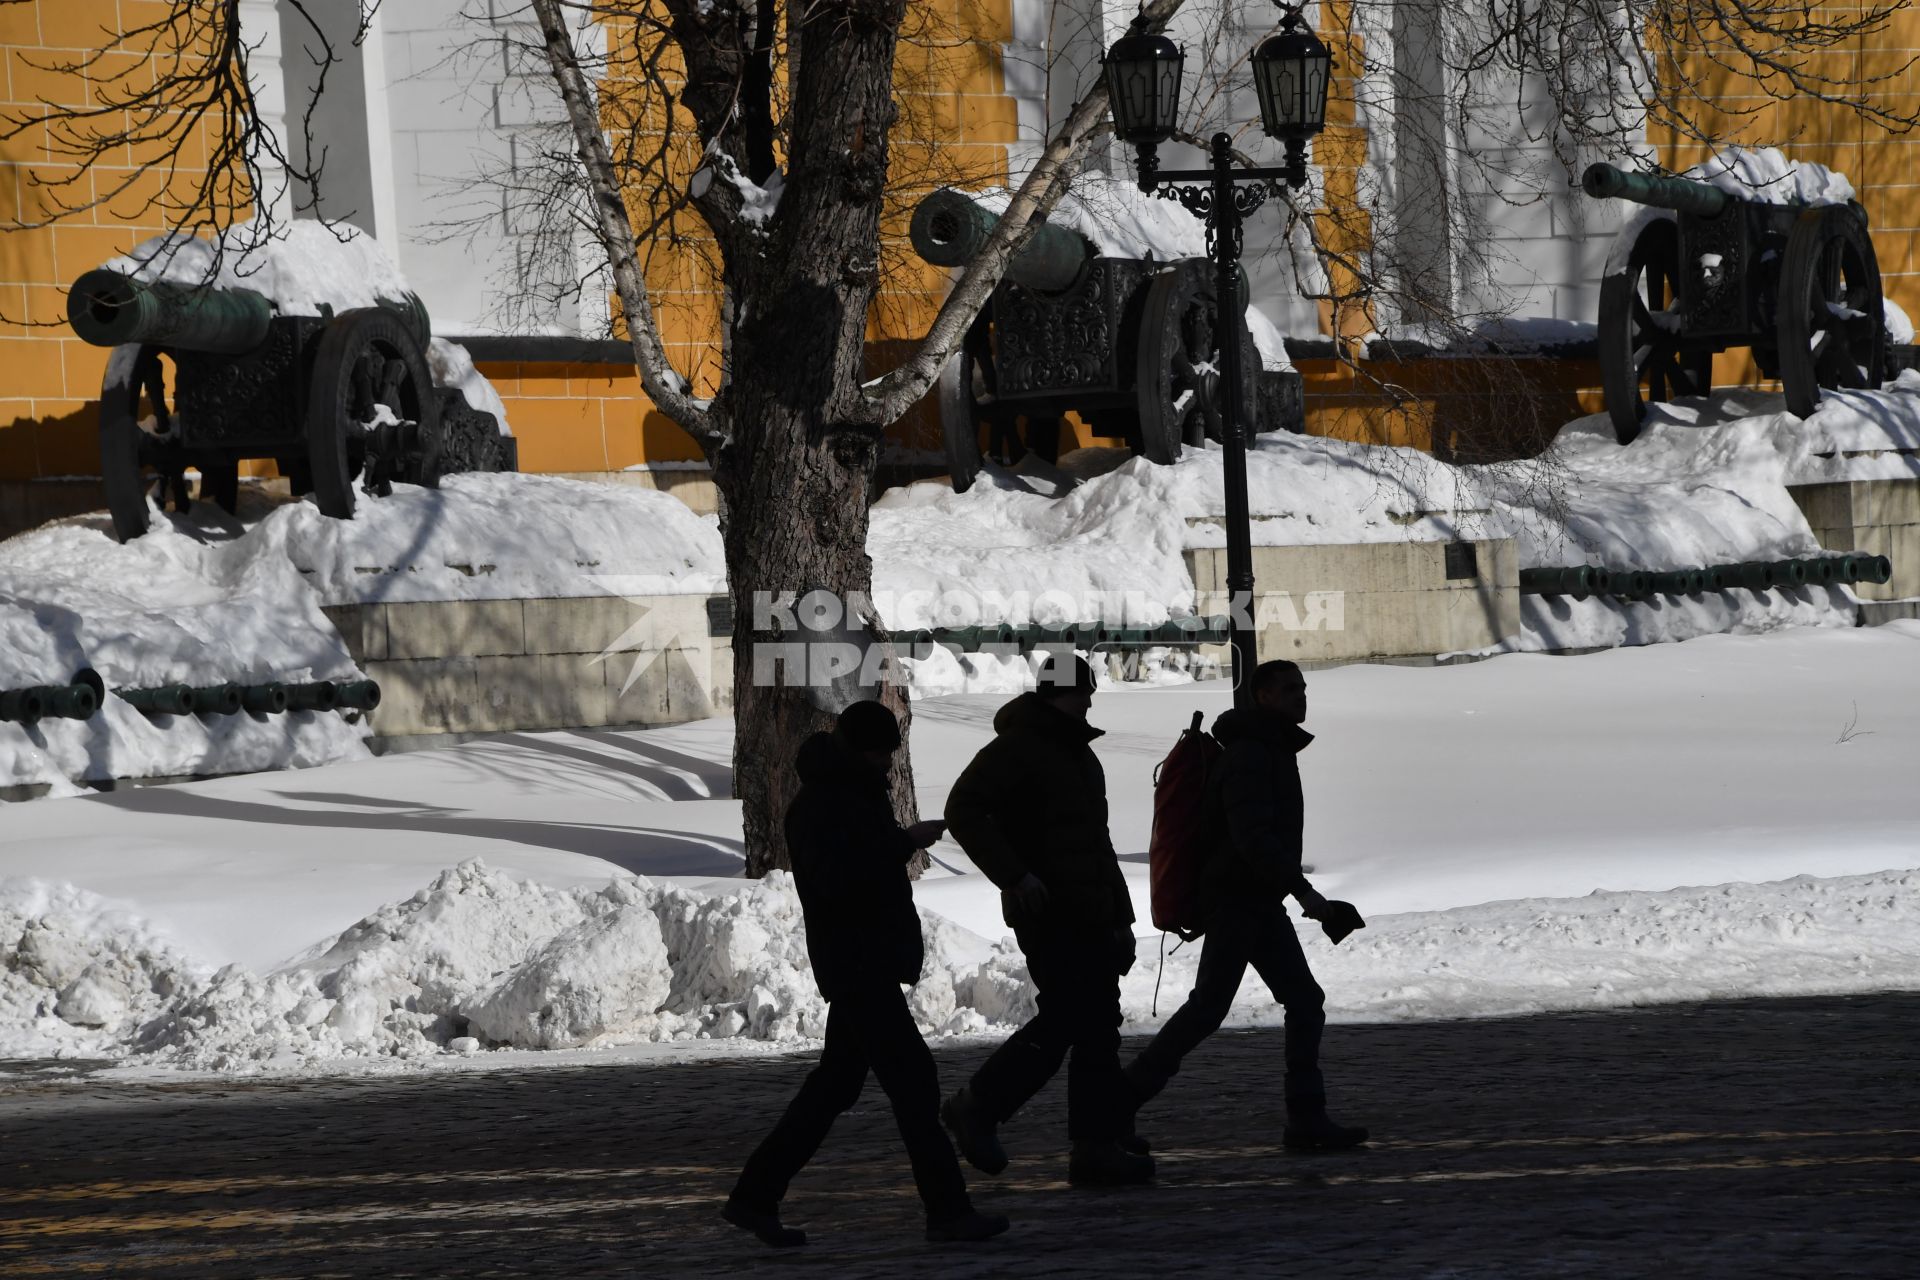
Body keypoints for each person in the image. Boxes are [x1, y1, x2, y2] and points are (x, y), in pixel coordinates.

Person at [724, 700, 1009, 1248]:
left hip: (862, 961)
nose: (887, 762)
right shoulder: (823, 804)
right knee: (914, 1081)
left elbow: (858, 866)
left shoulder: (849, 792)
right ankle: (948, 1210)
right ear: (858, 749)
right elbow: (840, 880)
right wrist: (904, 842)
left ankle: (755, 1196)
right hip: (858, 964)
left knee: (834, 1086)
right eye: (880, 752)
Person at [1123, 659, 1370, 1152]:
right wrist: (1304, 893)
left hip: (1253, 900)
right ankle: (1115, 1107)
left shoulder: (1269, 748)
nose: (1302, 697)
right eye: (1289, 690)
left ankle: (1307, 1120)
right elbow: (1253, 838)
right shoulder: (1253, 754)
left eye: (1303, 688)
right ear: (1263, 697)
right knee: (1208, 1010)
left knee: (1299, 1002)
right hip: (1238, 901)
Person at [939, 652, 1152, 1187]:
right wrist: (1015, 875)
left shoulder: (1078, 756)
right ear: (1070, 693)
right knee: (1072, 1019)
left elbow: (1098, 846)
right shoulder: (1018, 748)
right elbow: (963, 809)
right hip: (1049, 912)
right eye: (1085, 692)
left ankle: (1096, 1143)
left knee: (1097, 1026)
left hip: (1091, 911)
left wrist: (1121, 917)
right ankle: (980, 1106)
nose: (1089, 702)